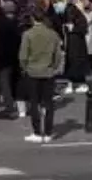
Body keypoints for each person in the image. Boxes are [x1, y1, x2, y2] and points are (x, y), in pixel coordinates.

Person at [19, 13, 62, 143]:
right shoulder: (53, 34)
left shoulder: (28, 35)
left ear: (33, 19)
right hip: (48, 71)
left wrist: (25, 68)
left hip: (32, 71)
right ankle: (48, 133)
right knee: (48, 103)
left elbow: (23, 56)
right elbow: (58, 55)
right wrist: (53, 67)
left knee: (34, 103)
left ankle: (37, 132)